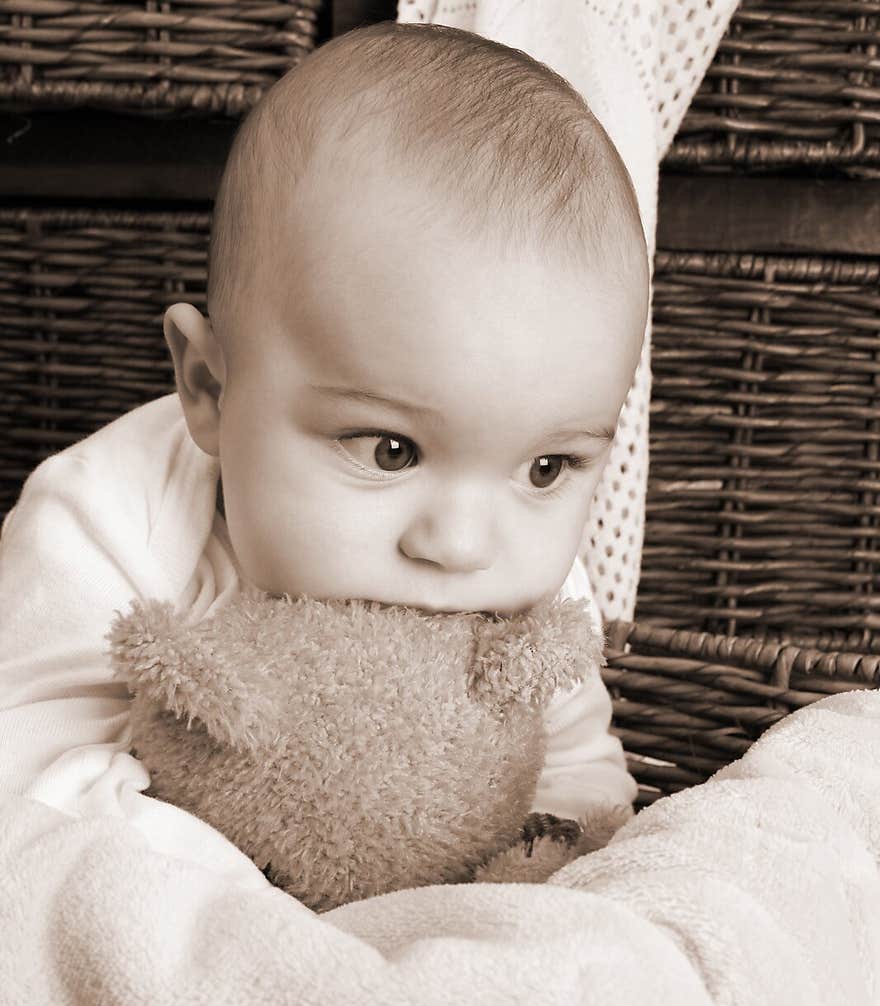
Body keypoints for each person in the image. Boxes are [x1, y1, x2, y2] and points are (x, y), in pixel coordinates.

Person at [0, 21, 648, 887]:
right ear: (209, 391)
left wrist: (555, 871)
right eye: (390, 450)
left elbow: (576, 775)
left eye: (546, 470)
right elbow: (29, 793)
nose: (459, 545)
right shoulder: (102, 514)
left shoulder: (528, 586)